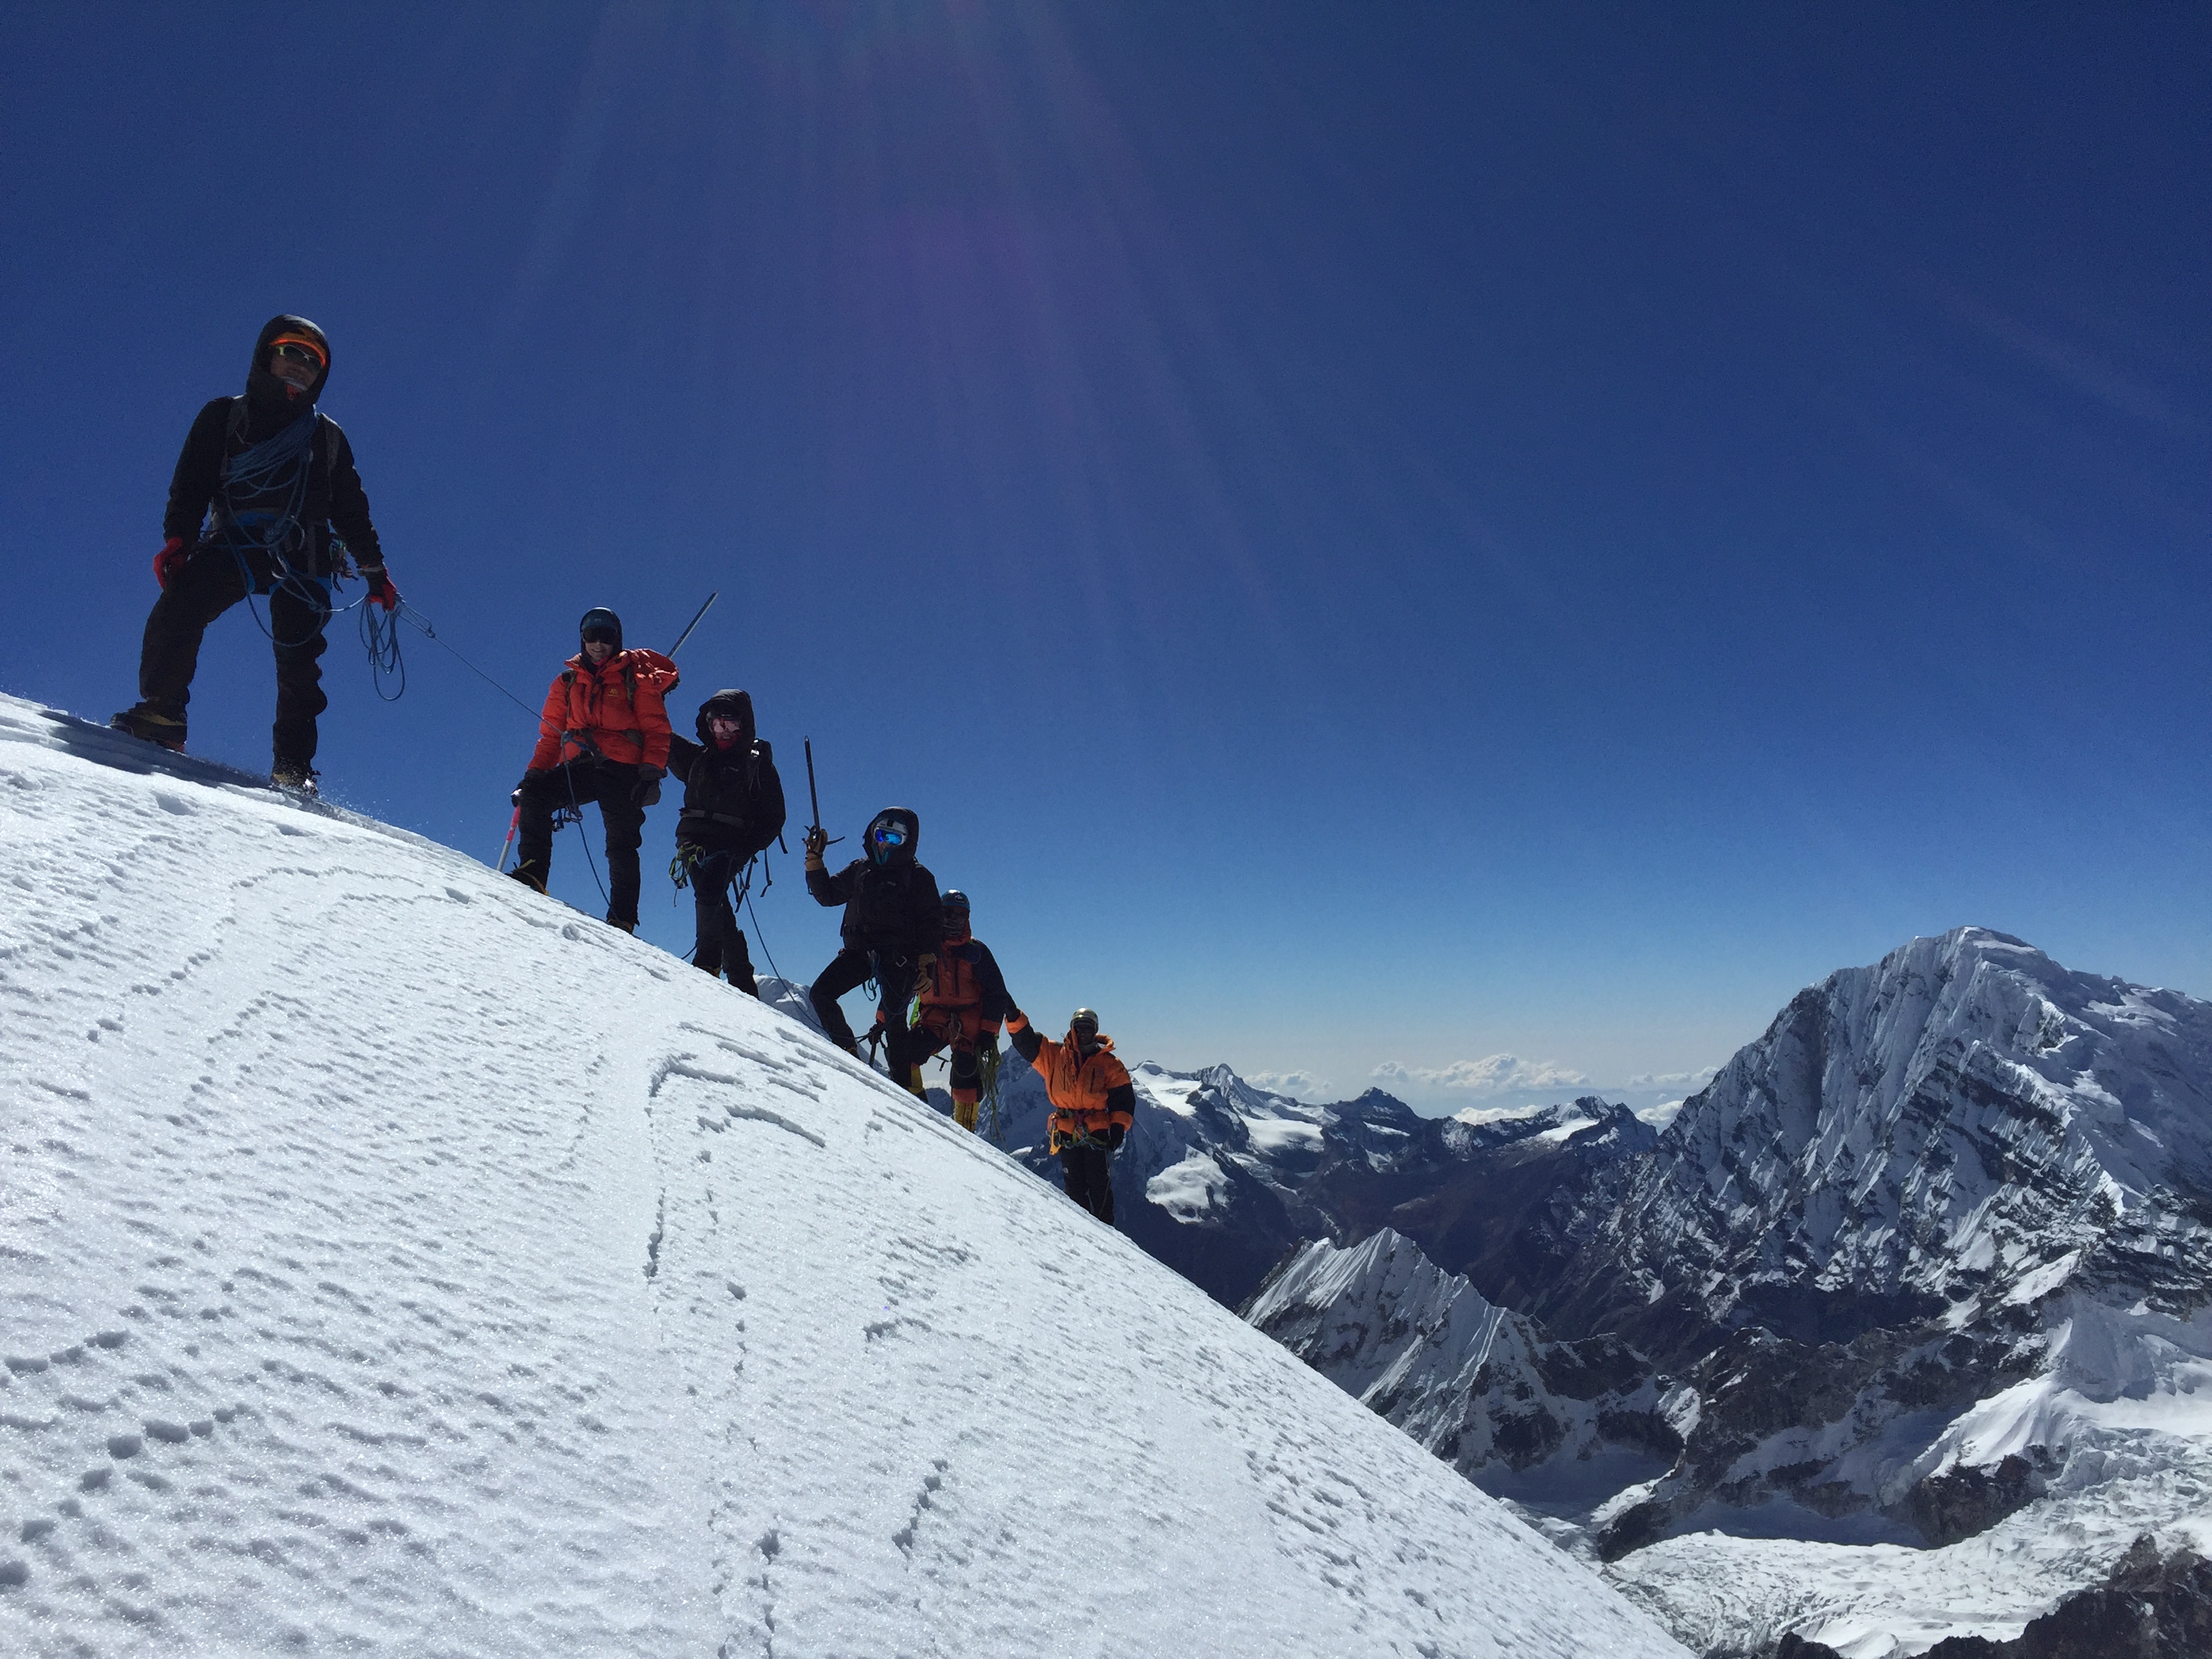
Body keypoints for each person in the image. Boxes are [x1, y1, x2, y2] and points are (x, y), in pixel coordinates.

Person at [113, 314, 399, 788]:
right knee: (181, 605)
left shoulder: (327, 438)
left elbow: (351, 511)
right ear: (267, 355)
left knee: (299, 658)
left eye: (313, 361)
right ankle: (163, 714)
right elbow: (192, 483)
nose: (302, 365)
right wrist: (179, 540)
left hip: (305, 551)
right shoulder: (224, 417)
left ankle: (293, 766)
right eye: (291, 352)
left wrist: (375, 571)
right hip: (238, 540)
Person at [510, 607, 677, 933]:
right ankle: (532, 874)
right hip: (582, 764)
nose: (598, 644)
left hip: (624, 769)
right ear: (582, 639)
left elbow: (657, 730)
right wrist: (535, 773)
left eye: (606, 637)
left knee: (622, 843)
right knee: (536, 795)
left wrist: (651, 772)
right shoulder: (567, 682)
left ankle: (622, 918)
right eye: (591, 636)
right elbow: (551, 735)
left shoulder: (636, 679)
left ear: (617, 640)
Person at [804, 808, 943, 1084]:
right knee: (821, 994)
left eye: (894, 839)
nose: (884, 844)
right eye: (881, 835)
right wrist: (814, 859)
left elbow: (931, 923)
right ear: (872, 835)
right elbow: (828, 894)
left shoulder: (919, 877)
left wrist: (926, 964)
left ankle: (902, 1088)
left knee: (895, 1023)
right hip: (861, 953)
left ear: (907, 842)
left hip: (899, 958)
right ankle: (848, 1055)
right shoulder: (861, 869)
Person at [664, 689, 785, 994]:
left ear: (745, 725)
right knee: (717, 907)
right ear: (708, 725)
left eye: (731, 724)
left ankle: (706, 964)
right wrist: (649, 699)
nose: (724, 731)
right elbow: (662, 736)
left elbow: (774, 817)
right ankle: (742, 981)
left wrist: (747, 847)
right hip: (691, 842)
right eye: (717, 724)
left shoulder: (757, 765)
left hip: (731, 845)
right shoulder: (697, 758)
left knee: (709, 893)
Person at [1007, 1007, 1134, 1225]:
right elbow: (1026, 1041)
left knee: (1099, 1185)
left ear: (1095, 1031)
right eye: (1079, 1028)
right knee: (1075, 1186)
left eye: (1087, 1029)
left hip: (1094, 1132)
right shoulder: (1055, 1055)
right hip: (1067, 1131)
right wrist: (1011, 1014)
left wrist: (1118, 1126)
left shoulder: (1109, 1064)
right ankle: (1081, 1230)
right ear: (1072, 1029)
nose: (1082, 1033)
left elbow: (1122, 1098)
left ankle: (1106, 1231)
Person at [907, 890, 1021, 1131]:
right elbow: (905, 982)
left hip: (968, 1022)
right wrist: (883, 1018)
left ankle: (964, 1135)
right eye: (948, 913)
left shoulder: (976, 952)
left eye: (959, 915)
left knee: (967, 1078)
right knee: (904, 1056)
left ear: (966, 918)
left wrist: (988, 1033)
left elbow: (996, 993)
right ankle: (915, 1111)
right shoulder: (924, 949)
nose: (953, 919)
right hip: (934, 1018)